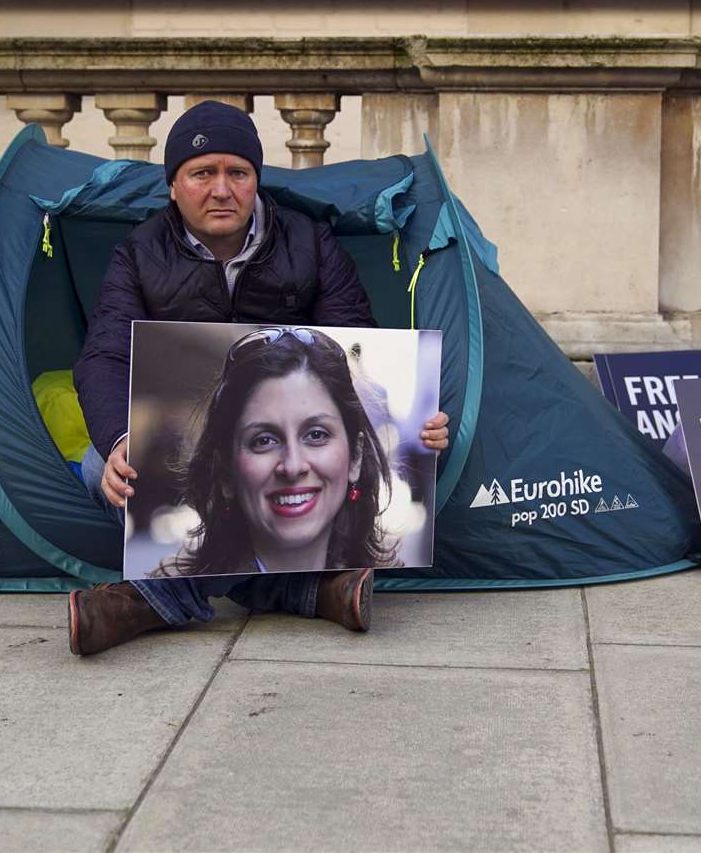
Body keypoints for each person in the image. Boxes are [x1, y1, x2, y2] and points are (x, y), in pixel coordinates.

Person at [69, 101, 449, 656]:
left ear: (255, 181)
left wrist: (417, 425)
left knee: (411, 450)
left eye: (237, 173)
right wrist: (118, 441)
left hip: (272, 449)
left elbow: (355, 354)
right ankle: (298, 593)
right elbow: (102, 358)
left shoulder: (311, 243)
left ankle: (158, 601)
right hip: (200, 457)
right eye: (202, 174)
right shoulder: (138, 253)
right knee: (92, 464)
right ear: (173, 186)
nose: (221, 189)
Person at [144, 326, 398, 577]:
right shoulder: (171, 600)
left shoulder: (391, 587)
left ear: (355, 456)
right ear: (225, 472)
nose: (293, 466)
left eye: (316, 435)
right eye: (264, 440)